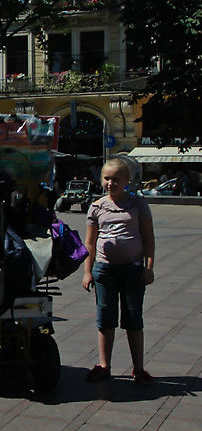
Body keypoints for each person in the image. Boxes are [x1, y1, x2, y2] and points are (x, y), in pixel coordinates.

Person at [82, 158, 155, 385]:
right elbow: (90, 243)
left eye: (116, 179)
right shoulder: (96, 206)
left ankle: (139, 368)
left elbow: (148, 238)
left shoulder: (138, 205)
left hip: (133, 269)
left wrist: (149, 267)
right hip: (104, 269)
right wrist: (88, 271)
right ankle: (105, 366)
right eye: (107, 178)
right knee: (105, 318)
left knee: (133, 317)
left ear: (127, 180)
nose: (110, 183)